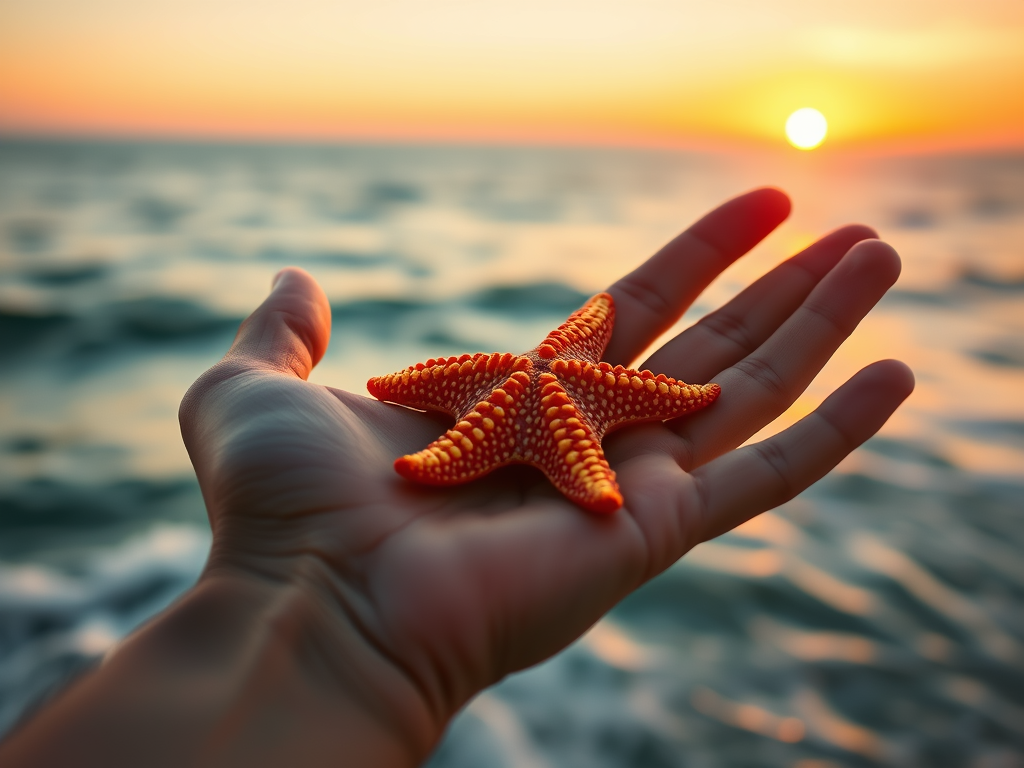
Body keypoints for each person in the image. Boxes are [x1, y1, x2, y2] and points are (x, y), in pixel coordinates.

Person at [0, 188, 913, 767]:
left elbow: (630, 387)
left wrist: (318, 612)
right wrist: (346, 631)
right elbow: (585, 392)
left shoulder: (562, 380)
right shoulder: (552, 384)